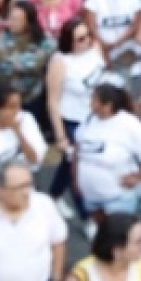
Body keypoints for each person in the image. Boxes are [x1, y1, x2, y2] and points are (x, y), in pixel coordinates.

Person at [73, 83, 141, 225]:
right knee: (103, 233)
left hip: (118, 197)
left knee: (118, 236)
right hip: (91, 196)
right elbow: (77, 151)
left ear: (107, 105)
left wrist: (139, 176)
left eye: (94, 100)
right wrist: (76, 179)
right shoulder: (89, 120)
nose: (90, 103)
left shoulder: (128, 123)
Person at [46, 18, 106, 221]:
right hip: (71, 119)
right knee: (77, 169)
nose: (86, 41)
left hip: (95, 118)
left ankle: (53, 195)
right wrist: (61, 136)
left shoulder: (95, 49)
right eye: (80, 39)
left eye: (88, 36)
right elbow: (53, 100)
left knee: (68, 165)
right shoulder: (60, 61)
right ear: (68, 41)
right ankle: (87, 217)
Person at [0, 0, 56, 126]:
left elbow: (33, 64)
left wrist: (8, 59)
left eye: (17, 20)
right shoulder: (4, 35)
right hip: (4, 97)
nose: (11, 23)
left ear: (28, 22)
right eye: (10, 18)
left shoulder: (43, 40)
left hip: (30, 98)